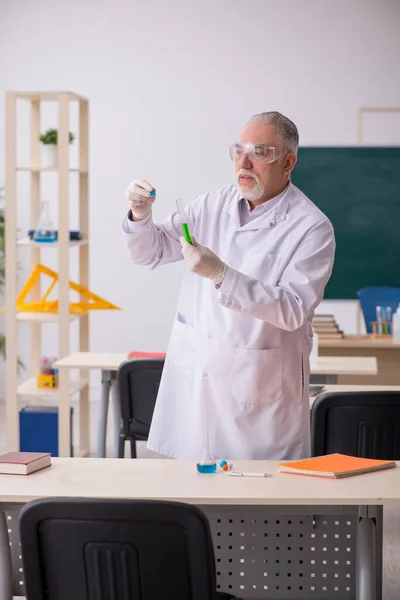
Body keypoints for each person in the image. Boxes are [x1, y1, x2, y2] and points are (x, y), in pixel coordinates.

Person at [122, 111, 335, 461]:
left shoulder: (311, 227)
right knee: (192, 498)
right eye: (238, 151)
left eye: (259, 152)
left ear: (288, 162)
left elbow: (294, 309)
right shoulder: (211, 205)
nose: (245, 162)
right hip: (198, 387)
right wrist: (140, 215)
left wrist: (222, 274)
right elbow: (152, 253)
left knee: (258, 504)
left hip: (258, 395)